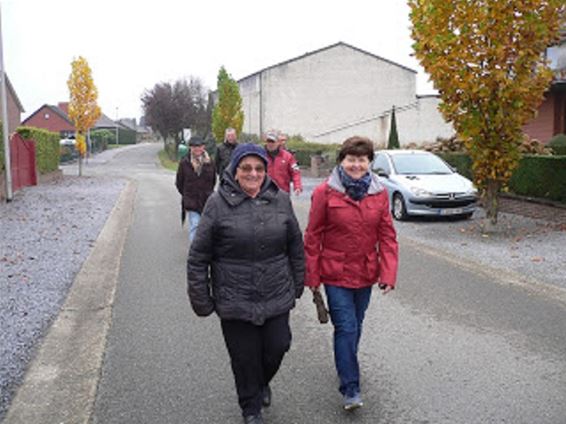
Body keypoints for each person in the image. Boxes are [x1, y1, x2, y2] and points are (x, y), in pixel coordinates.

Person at [187, 143, 305, 424]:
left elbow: (295, 246)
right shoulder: (217, 203)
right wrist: (201, 297)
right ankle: (250, 408)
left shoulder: (280, 199)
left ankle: (262, 382)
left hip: (276, 291)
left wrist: (298, 282)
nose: (253, 174)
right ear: (235, 171)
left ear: (266, 171)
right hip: (234, 297)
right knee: (244, 357)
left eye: (259, 168)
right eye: (246, 168)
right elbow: (198, 256)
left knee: (278, 346)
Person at [303, 136, 398, 411]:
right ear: (342, 162)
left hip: (366, 272)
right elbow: (313, 235)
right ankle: (350, 388)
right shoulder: (325, 192)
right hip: (335, 273)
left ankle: (346, 363)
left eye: (362, 159)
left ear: (369, 162)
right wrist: (312, 276)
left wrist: (388, 272)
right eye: (351, 159)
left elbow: (388, 236)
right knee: (345, 327)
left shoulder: (379, 194)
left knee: (356, 325)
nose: (356, 165)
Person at [175, 136, 216, 244]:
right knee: (195, 224)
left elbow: (213, 181)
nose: (197, 149)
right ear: (190, 148)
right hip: (191, 200)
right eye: (194, 146)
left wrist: (208, 193)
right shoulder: (185, 162)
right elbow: (179, 182)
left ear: (203, 147)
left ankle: (204, 249)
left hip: (206, 200)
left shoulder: (210, 162)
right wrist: (187, 194)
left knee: (206, 227)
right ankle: (195, 251)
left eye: (199, 146)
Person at [264, 131, 303, 196]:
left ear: (278, 143)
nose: (270, 144)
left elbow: (295, 172)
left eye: (272, 141)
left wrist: (297, 186)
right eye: (268, 141)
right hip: (265, 193)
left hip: (283, 193)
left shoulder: (288, 156)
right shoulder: (261, 155)